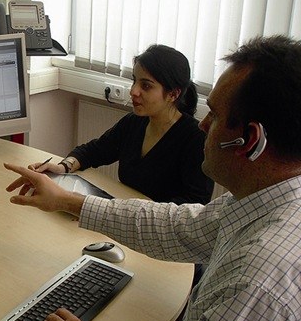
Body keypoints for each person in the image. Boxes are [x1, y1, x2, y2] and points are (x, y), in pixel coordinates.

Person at [4, 35, 301, 321]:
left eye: (215, 115)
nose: (203, 125)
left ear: (249, 140)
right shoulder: (267, 202)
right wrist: (68, 200)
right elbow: (179, 225)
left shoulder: (257, 281)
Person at [34, 44, 214, 205]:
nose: (134, 91)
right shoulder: (135, 122)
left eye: (146, 86)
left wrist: (122, 213)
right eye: (134, 81)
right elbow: (96, 150)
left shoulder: (195, 139)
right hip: (127, 219)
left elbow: (195, 204)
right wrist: (63, 166)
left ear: (173, 94)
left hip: (160, 232)